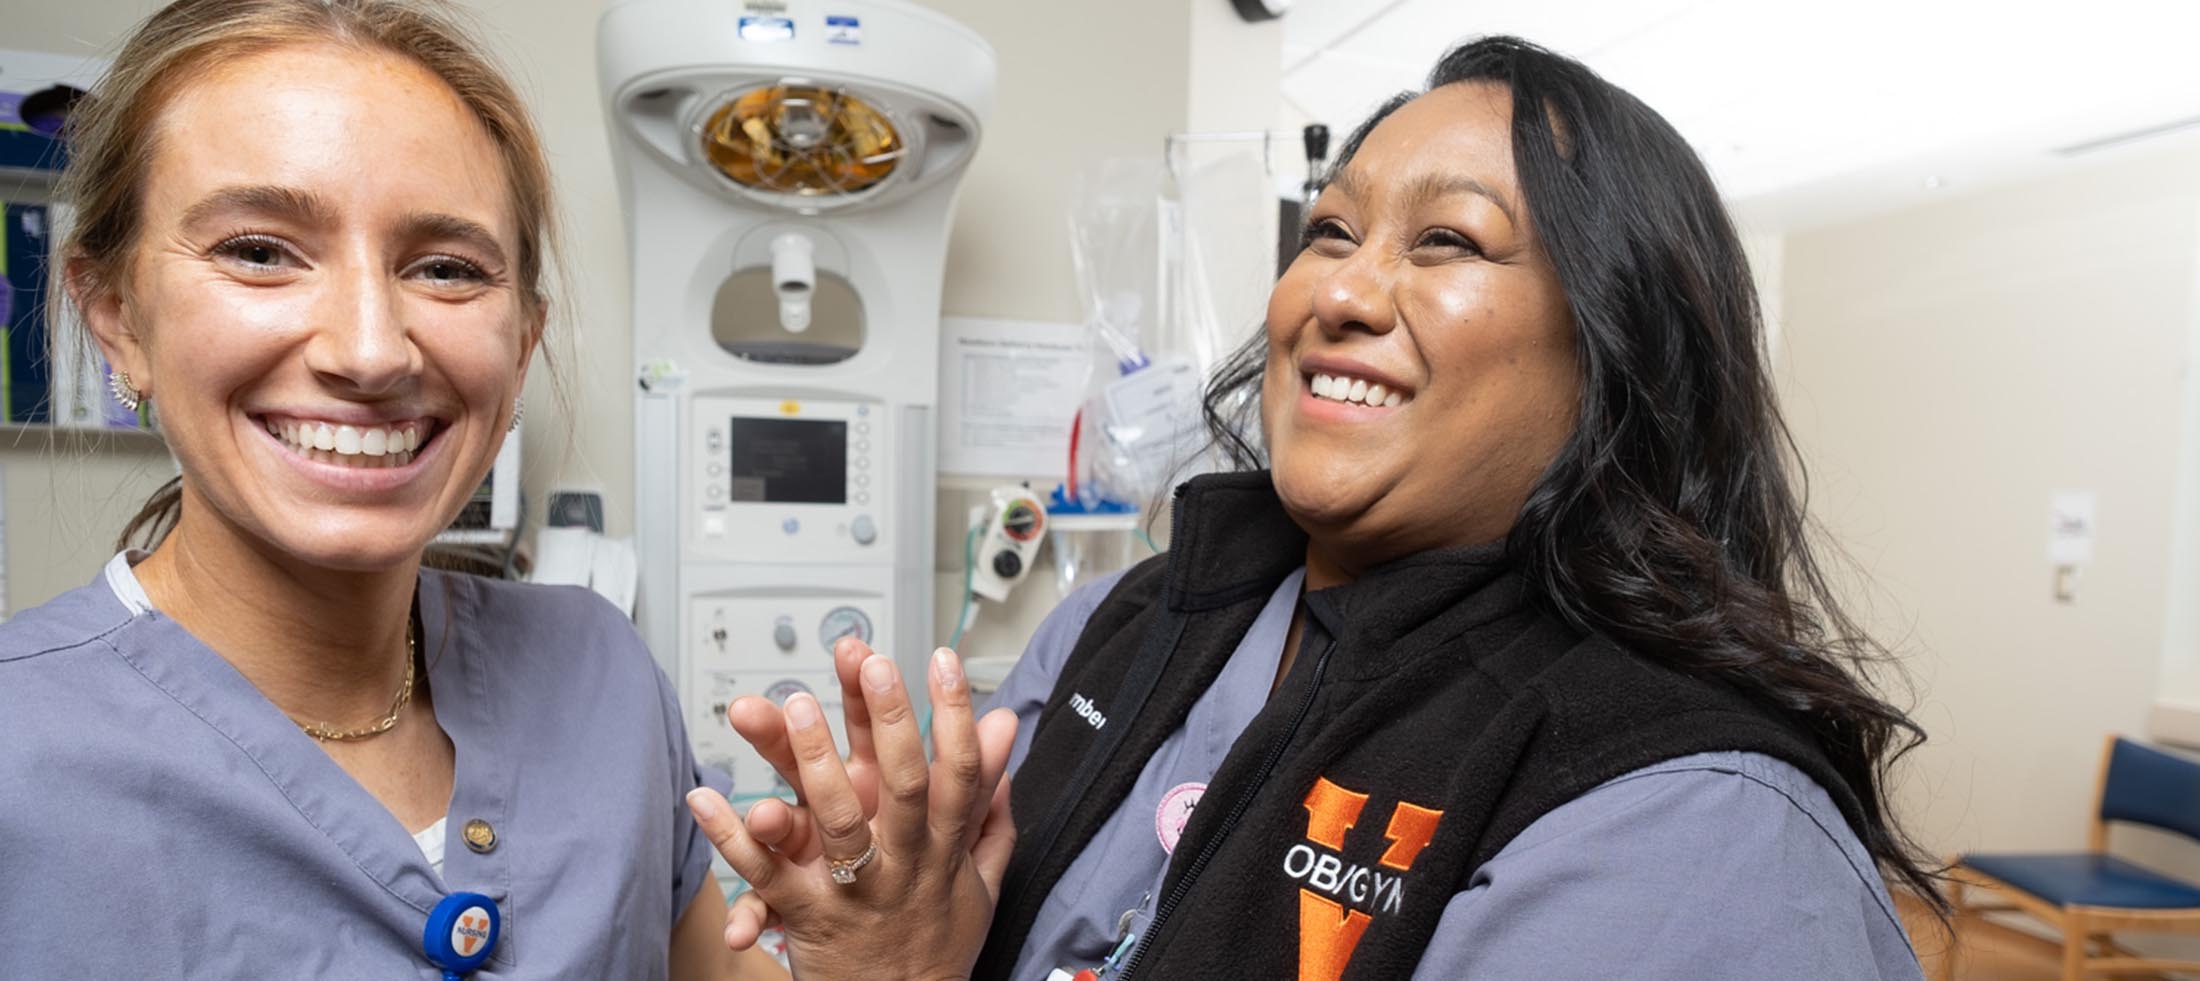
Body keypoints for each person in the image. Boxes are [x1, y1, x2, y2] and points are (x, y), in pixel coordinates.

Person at [687, 35, 1938, 980]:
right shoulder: (1126, 626)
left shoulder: (1687, 824)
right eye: (1330, 229)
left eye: (1447, 241)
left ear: (1621, 352)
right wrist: (904, 941)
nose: (1341, 288)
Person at [0, 2, 782, 977]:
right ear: (117, 319)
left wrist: (876, 950)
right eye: (258, 250)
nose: (370, 350)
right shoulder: (20, 754)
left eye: (447, 269)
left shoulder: (604, 680)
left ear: (522, 340)